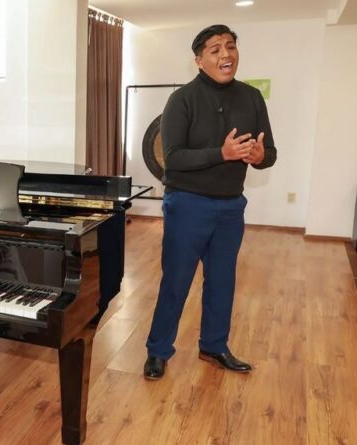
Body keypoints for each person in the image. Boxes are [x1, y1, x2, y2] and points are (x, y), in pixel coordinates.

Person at [143, 25, 277, 380]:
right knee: (176, 282)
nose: (225, 55)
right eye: (215, 49)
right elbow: (173, 157)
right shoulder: (182, 99)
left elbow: (270, 153)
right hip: (187, 204)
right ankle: (158, 351)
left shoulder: (251, 98)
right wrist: (223, 152)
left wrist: (261, 156)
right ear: (199, 60)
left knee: (222, 282)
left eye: (231, 47)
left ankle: (214, 346)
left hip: (231, 207)